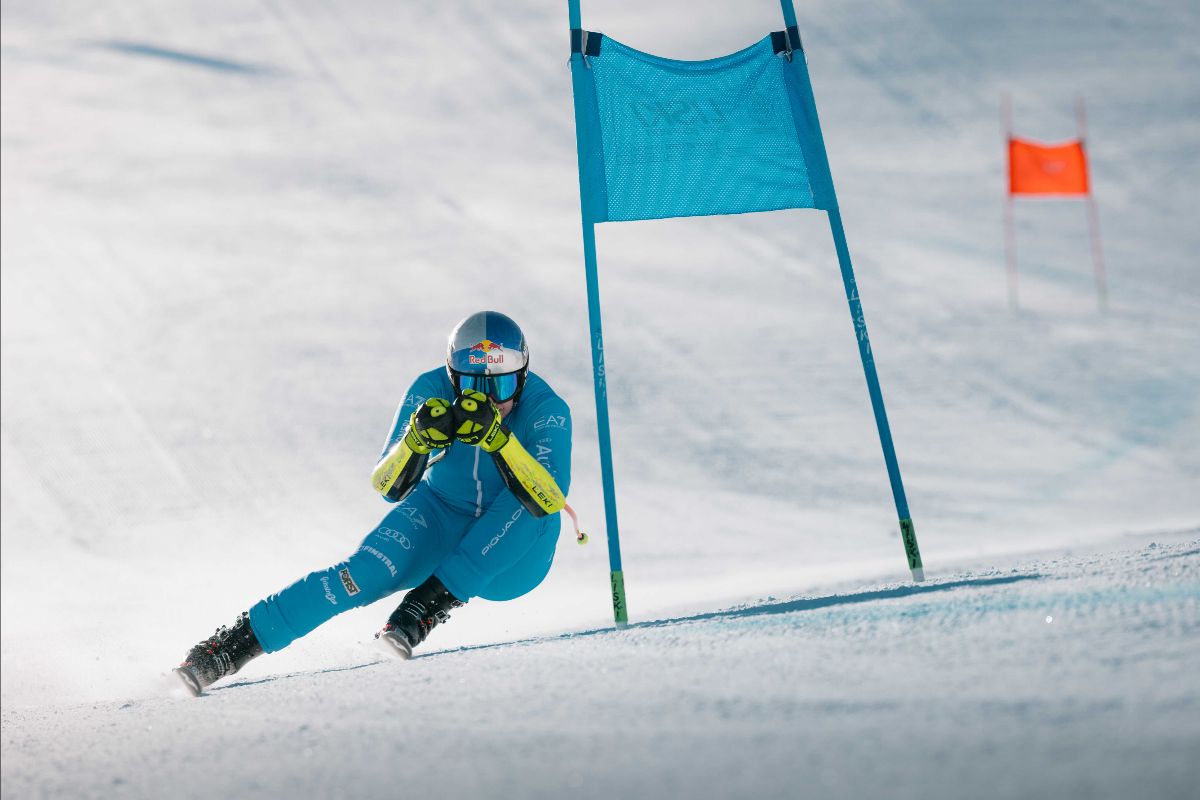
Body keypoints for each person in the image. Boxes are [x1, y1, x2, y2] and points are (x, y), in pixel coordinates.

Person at [174, 311, 572, 695]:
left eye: (501, 387)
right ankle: (226, 649)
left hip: (514, 556)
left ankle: (422, 609)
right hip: (441, 516)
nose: (487, 400)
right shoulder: (430, 389)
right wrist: (415, 442)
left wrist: (500, 441)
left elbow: (550, 497)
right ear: (452, 378)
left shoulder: (546, 408)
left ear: (522, 377)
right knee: (361, 573)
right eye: (471, 386)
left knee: (531, 501)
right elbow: (386, 486)